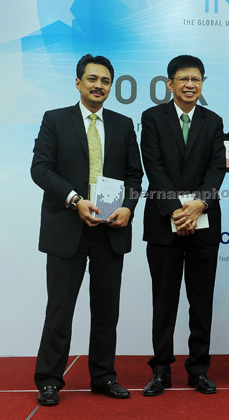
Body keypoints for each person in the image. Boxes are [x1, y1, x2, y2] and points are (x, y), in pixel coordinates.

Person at [31, 54, 143, 406]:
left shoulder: (124, 125)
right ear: (78, 82)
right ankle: (50, 379)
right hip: (68, 227)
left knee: (107, 309)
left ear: (112, 86)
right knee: (60, 308)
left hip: (110, 229)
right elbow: (41, 169)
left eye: (105, 81)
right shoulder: (55, 120)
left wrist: (128, 206)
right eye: (92, 79)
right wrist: (75, 199)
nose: (99, 85)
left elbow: (134, 176)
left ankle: (103, 375)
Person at [140, 55, 226, 396]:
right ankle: (160, 370)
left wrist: (200, 204)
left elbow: (217, 168)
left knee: (200, 300)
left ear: (202, 84)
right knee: (164, 300)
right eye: (184, 79)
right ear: (170, 84)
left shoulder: (213, 120)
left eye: (197, 79)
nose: (190, 84)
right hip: (165, 222)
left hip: (204, 221)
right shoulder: (152, 118)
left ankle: (198, 370)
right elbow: (153, 166)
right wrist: (177, 210)